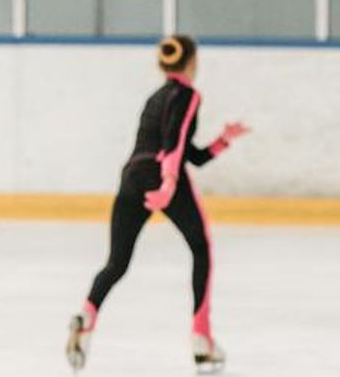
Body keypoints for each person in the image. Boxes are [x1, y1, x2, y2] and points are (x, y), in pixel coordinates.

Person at [66, 35, 250, 373]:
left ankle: (86, 314)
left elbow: (192, 154)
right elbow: (174, 143)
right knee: (201, 247)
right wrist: (168, 182)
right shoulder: (189, 95)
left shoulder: (155, 98)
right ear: (191, 62)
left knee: (116, 262)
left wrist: (223, 140)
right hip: (160, 174)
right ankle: (201, 339)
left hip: (132, 175)